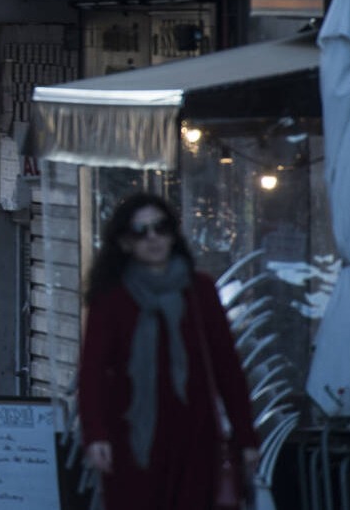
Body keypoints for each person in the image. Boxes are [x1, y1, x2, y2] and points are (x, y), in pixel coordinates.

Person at [78, 192, 260, 509]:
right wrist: (96, 434)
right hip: (133, 440)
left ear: (173, 234)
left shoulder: (199, 290)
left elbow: (227, 368)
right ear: (125, 242)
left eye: (160, 228)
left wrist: (245, 437)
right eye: (141, 231)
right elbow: (92, 370)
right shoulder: (112, 297)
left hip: (195, 438)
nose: (153, 238)